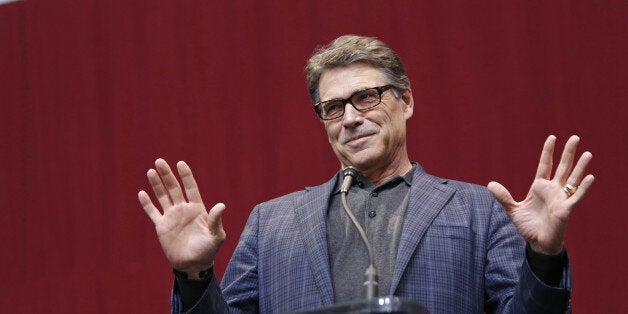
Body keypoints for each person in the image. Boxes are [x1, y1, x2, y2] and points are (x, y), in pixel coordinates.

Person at [138, 35, 594, 313]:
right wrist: (194, 272)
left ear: (407, 101)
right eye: (332, 108)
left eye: (367, 98)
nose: (350, 118)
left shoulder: (478, 211)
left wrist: (544, 257)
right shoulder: (270, 223)